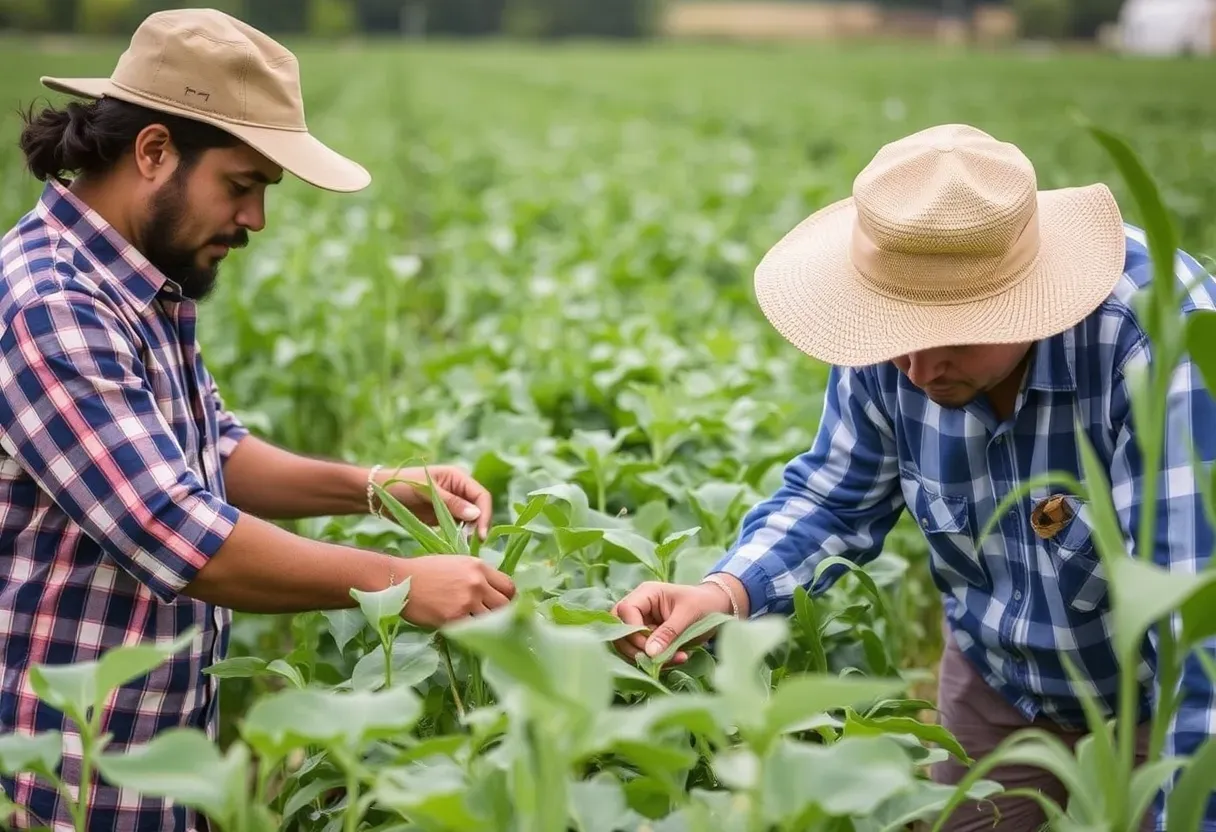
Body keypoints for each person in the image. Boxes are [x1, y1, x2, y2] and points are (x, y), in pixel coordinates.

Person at [612, 123, 1216, 832]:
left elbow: (1198, 631)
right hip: (999, 677)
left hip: (1156, 704)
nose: (920, 371)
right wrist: (725, 591)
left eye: (955, 335)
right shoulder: (887, 323)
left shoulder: (1160, 341)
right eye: (900, 336)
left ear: (1031, 296)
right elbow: (836, 498)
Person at [0, 9, 513, 831]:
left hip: (157, 767)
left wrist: (378, 490)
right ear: (155, 151)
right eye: (241, 186)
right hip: (72, 788)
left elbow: (213, 452)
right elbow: (173, 530)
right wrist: (400, 583)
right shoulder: (52, 306)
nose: (255, 221)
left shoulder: (135, 286)